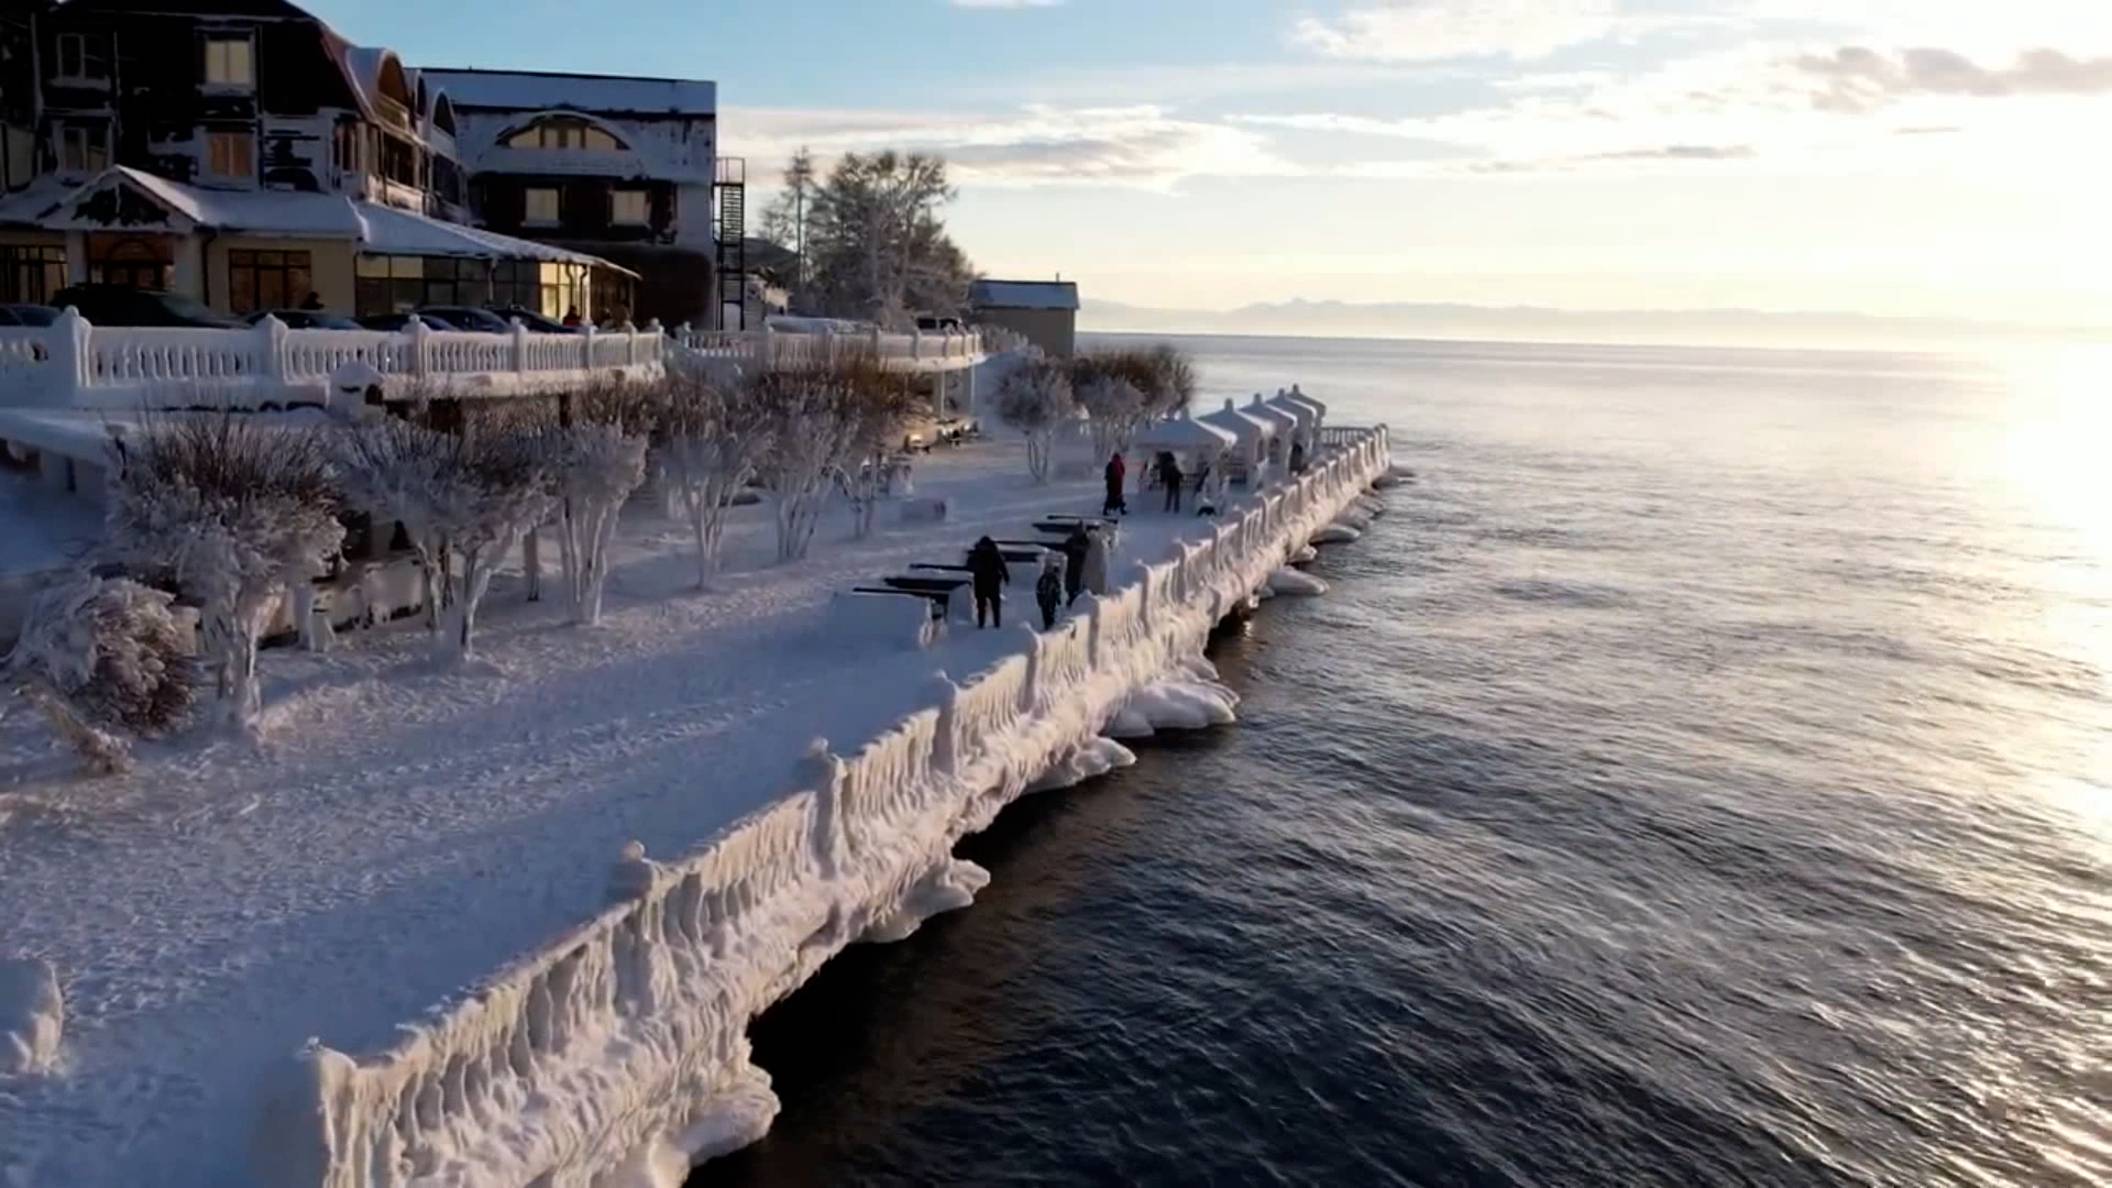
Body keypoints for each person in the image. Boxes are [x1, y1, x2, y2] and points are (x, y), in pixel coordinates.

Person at [967, 536, 1009, 628]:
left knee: (988, 605)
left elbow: (1002, 566)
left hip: (986, 582)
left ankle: (989, 624)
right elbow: (1002, 566)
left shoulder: (990, 553)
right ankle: (988, 623)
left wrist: (1006, 577)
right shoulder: (985, 553)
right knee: (986, 605)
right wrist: (1006, 577)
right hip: (987, 582)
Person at [1061, 524, 1091, 605]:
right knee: (1071, 582)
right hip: (1071, 563)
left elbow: (1086, 548)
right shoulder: (1071, 540)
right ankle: (1071, 597)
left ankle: (1077, 598)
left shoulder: (1085, 540)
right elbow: (1065, 548)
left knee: (1078, 582)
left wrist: (1077, 548)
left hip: (1081, 564)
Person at [1035, 553, 1065, 630]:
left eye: (1049, 569)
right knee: (1045, 613)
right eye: (1047, 569)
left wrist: (1058, 598)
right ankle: (1047, 624)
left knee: (1051, 611)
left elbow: (1058, 588)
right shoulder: (1042, 579)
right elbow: (1038, 590)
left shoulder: (1054, 579)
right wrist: (1039, 599)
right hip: (1044, 599)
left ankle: (1050, 624)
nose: (1048, 571)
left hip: (1052, 599)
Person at [1081, 524, 1110, 596]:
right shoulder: (1104, 540)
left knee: (1091, 582)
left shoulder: (1092, 539)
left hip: (1092, 565)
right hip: (1101, 567)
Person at [1102, 451, 1128, 516]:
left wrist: (1107, 478)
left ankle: (1105, 511)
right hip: (1118, 484)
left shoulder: (1110, 465)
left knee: (1110, 498)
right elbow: (1123, 472)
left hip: (1111, 485)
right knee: (1119, 497)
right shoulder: (1120, 464)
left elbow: (1107, 474)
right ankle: (1122, 510)